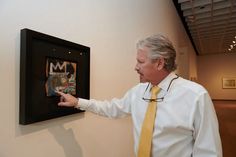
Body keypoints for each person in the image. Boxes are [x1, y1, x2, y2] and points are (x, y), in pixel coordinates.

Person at [56, 34, 222, 157]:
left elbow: (208, 150)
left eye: (141, 62)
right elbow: (112, 109)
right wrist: (78, 102)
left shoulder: (196, 95)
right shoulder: (138, 92)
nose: (136, 67)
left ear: (159, 63)